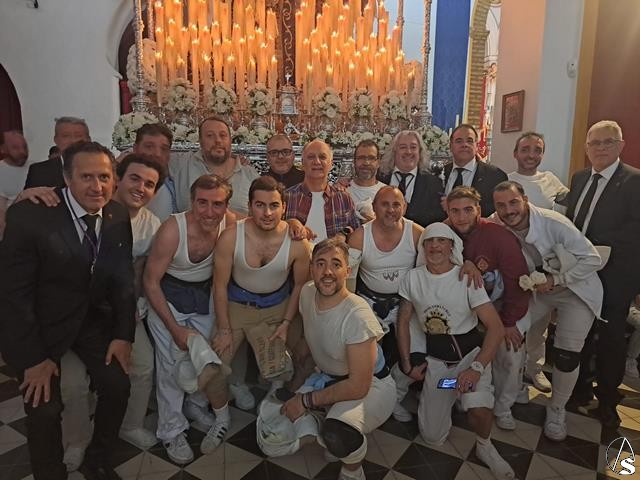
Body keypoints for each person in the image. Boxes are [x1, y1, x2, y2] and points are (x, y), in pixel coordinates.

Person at [0, 141, 135, 480]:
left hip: (90, 322)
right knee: (44, 407)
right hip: (40, 326)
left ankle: (97, 459)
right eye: (86, 177)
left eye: (104, 177)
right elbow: (13, 296)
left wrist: (123, 335)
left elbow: (122, 279)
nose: (97, 186)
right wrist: (34, 359)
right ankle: (50, 473)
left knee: (117, 385)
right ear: (66, 178)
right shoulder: (30, 217)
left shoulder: (117, 214)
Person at [59, 155, 165, 470]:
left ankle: (130, 425)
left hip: (122, 311)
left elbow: (140, 272)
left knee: (143, 366)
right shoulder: (88, 207)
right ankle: (77, 440)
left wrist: (132, 310)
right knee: (74, 384)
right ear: (118, 178)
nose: (141, 188)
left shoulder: (151, 224)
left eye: (149, 184)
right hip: (74, 316)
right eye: (135, 178)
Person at [396, 222, 515, 480]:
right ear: (422, 247)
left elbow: (495, 328)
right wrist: (406, 363)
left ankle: (485, 446)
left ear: (452, 246)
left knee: (477, 406)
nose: (435, 246)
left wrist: (476, 369)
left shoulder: (466, 277)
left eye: (441, 240)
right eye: (429, 241)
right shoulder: (413, 278)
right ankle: (454, 390)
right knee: (432, 437)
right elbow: (403, 321)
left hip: (470, 359)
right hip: (439, 364)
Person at [206, 176, 311, 452]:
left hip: (278, 306)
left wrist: (287, 323)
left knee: (303, 355)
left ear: (284, 207)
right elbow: (219, 285)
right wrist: (224, 328)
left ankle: (279, 402)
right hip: (237, 306)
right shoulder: (232, 236)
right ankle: (221, 417)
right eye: (260, 205)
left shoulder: (297, 242)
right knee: (214, 367)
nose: (267, 213)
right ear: (250, 206)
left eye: (274, 205)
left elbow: (299, 286)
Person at [493, 181, 603, 441]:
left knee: (566, 355)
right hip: (537, 291)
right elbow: (473, 227)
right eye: (501, 206)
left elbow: (593, 258)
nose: (508, 211)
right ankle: (513, 389)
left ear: (525, 199)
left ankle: (556, 409)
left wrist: (558, 280)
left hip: (575, 290)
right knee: (509, 335)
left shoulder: (554, 222)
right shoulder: (497, 222)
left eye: (513, 202)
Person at [143, 174, 242, 464]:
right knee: (170, 365)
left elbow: (263, 222)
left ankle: (196, 404)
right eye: (202, 203)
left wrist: (294, 224)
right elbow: (150, 282)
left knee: (206, 356)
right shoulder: (172, 229)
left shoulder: (230, 222)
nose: (209, 212)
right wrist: (174, 328)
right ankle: (171, 430)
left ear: (226, 205)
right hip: (167, 296)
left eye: (217, 204)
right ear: (191, 201)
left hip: (205, 295)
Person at [280, 238, 396, 480]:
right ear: (311, 268)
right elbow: (315, 336)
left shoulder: (357, 315)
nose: (328, 272)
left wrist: (305, 400)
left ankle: (352, 470)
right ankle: (332, 429)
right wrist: (295, 386)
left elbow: (358, 385)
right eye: (320, 264)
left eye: (336, 264)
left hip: (372, 385)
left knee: (337, 434)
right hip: (329, 377)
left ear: (348, 271)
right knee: (283, 420)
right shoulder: (307, 293)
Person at [566, 120, 640, 427]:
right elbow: (574, 222)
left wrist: (595, 250)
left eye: (608, 142)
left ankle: (608, 400)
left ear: (621, 145)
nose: (600, 148)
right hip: (580, 272)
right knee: (579, 332)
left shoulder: (634, 180)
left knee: (610, 340)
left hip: (615, 275)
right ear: (586, 148)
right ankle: (579, 390)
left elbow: (635, 229)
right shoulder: (580, 177)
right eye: (594, 143)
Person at [441, 187, 530, 431]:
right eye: (455, 211)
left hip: (502, 304)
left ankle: (503, 406)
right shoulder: (442, 233)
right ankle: (458, 393)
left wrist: (509, 322)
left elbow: (517, 282)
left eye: (468, 210)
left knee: (510, 352)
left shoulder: (499, 236)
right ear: (448, 212)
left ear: (478, 210)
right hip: (461, 309)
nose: (461, 217)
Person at [347, 186, 424, 421]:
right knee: (365, 356)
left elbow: (427, 275)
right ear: (374, 207)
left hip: (406, 304)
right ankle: (369, 397)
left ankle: (395, 396)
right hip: (369, 302)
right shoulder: (359, 236)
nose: (391, 210)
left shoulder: (417, 233)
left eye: (396, 204)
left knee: (417, 353)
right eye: (384, 204)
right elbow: (349, 281)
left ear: (405, 207)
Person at [508, 131, 569, 394]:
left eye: (537, 150)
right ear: (516, 153)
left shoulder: (551, 181)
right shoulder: (507, 180)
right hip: (515, 258)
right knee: (517, 317)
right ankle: (513, 371)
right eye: (525, 149)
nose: (531, 155)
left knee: (540, 322)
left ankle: (535, 367)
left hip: (544, 261)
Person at [171, 116, 259, 215]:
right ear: (200, 141)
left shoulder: (249, 175)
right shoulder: (182, 163)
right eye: (210, 136)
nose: (218, 140)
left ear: (230, 140)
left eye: (223, 135)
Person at [284, 139, 360, 243]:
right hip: (297, 253)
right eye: (311, 157)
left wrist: (344, 234)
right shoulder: (288, 197)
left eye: (322, 157)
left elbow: (357, 232)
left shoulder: (343, 198)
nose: (317, 162)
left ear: (331, 164)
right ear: (302, 163)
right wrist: (289, 223)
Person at [378, 130, 445, 227]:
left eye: (413, 147)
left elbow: (437, 220)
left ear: (420, 152)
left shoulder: (434, 183)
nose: (408, 152)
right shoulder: (380, 178)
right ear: (394, 151)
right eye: (403, 147)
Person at [443, 123, 507, 216]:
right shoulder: (440, 173)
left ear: (476, 146)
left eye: (469, 141)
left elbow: (499, 210)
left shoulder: (495, 176)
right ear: (450, 146)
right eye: (459, 141)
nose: (464, 145)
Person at [24, 116, 90, 189]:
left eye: (78, 136)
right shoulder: (38, 171)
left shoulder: (99, 167)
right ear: (56, 140)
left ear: (88, 140)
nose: (72, 141)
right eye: (66, 136)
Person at [132, 123, 178, 222]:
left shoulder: (177, 186)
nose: (157, 154)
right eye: (149, 147)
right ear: (135, 149)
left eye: (164, 149)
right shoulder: (119, 183)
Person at [346, 139, 386, 221]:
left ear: (378, 162)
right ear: (354, 161)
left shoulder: (386, 192)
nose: (366, 163)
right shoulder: (343, 190)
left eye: (371, 158)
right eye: (361, 158)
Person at [0, 130, 29, 239]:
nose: (22, 151)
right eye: (15, 147)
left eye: (24, 147)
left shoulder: (37, 167)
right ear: (3, 149)